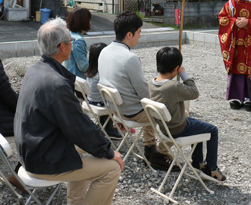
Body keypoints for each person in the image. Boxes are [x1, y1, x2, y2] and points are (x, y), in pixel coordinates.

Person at [15, 18, 123, 205]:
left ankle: (76, 202)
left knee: (85, 149)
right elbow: (78, 127)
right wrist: (109, 151)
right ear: (62, 47)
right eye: (70, 42)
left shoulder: (36, 69)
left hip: (32, 149)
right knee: (112, 167)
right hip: (42, 159)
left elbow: (77, 126)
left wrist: (100, 146)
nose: (72, 45)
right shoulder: (56, 84)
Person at [98, 10, 173, 171]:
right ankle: (159, 154)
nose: (140, 36)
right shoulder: (129, 58)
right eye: (139, 32)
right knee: (177, 113)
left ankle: (149, 147)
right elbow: (145, 94)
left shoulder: (105, 51)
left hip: (115, 109)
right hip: (132, 112)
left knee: (151, 104)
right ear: (129, 35)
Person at [149, 47, 226, 181]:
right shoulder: (173, 87)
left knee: (198, 126)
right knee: (212, 130)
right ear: (176, 68)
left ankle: (198, 163)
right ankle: (211, 168)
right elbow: (194, 93)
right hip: (178, 127)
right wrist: (184, 74)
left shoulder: (151, 83)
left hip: (164, 128)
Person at [85, 42, 120, 139]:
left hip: (90, 101)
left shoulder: (91, 71)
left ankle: (106, 127)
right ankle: (109, 129)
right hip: (100, 104)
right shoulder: (101, 73)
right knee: (116, 98)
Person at [63, 8, 92, 79]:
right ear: (83, 22)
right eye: (89, 20)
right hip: (76, 81)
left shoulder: (67, 35)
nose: (90, 22)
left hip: (66, 75)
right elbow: (83, 67)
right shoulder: (78, 41)